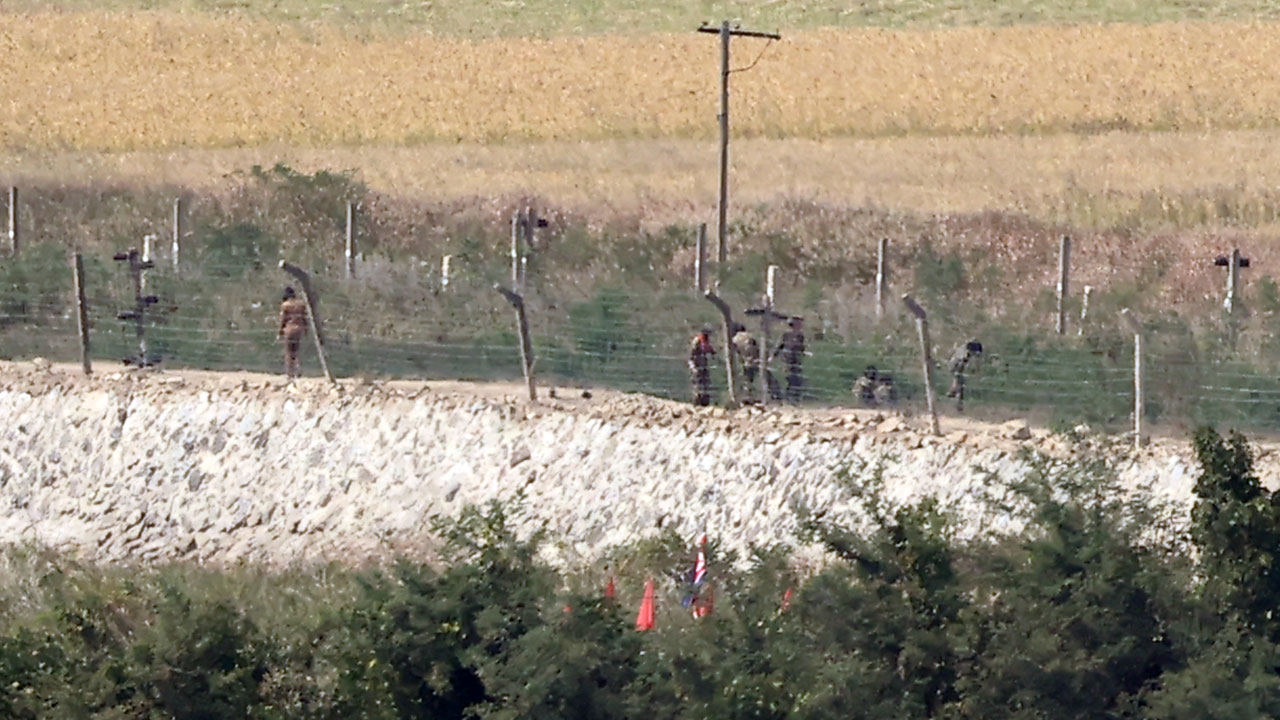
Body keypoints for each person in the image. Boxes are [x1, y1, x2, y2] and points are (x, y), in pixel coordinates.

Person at [773, 316, 807, 403]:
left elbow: (800, 347)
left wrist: (803, 353)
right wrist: (774, 355)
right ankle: (787, 397)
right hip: (787, 359)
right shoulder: (786, 335)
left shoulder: (800, 336)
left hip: (796, 359)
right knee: (789, 377)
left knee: (796, 379)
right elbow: (781, 345)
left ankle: (794, 397)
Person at [277, 286, 309, 379]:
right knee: (296, 351)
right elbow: (304, 318)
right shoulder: (301, 304)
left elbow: (283, 320)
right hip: (299, 329)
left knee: (288, 351)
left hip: (289, 329)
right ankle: (297, 370)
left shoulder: (285, 305)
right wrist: (306, 330)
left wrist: (279, 332)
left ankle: (289, 372)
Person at [946, 340, 983, 411]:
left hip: (956, 368)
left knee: (959, 384)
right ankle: (957, 401)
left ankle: (954, 393)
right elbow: (960, 364)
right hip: (955, 367)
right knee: (960, 385)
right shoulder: (965, 353)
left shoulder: (964, 351)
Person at [731, 322, 760, 401]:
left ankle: (745, 396)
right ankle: (750, 395)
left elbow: (735, 351)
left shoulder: (734, 339)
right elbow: (756, 348)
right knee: (751, 378)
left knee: (744, 379)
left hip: (742, 361)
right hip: (753, 360)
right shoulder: (750, 336)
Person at [688, 328, 717, 407]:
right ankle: (697, 403)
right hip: (697, 367)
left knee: (706, 385)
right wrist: (693, 367)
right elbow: (690, 357)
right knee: (698, 386)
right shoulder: (697, 342)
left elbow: (712, 351)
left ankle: (705, 402)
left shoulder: (706, 342)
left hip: (704, 366)